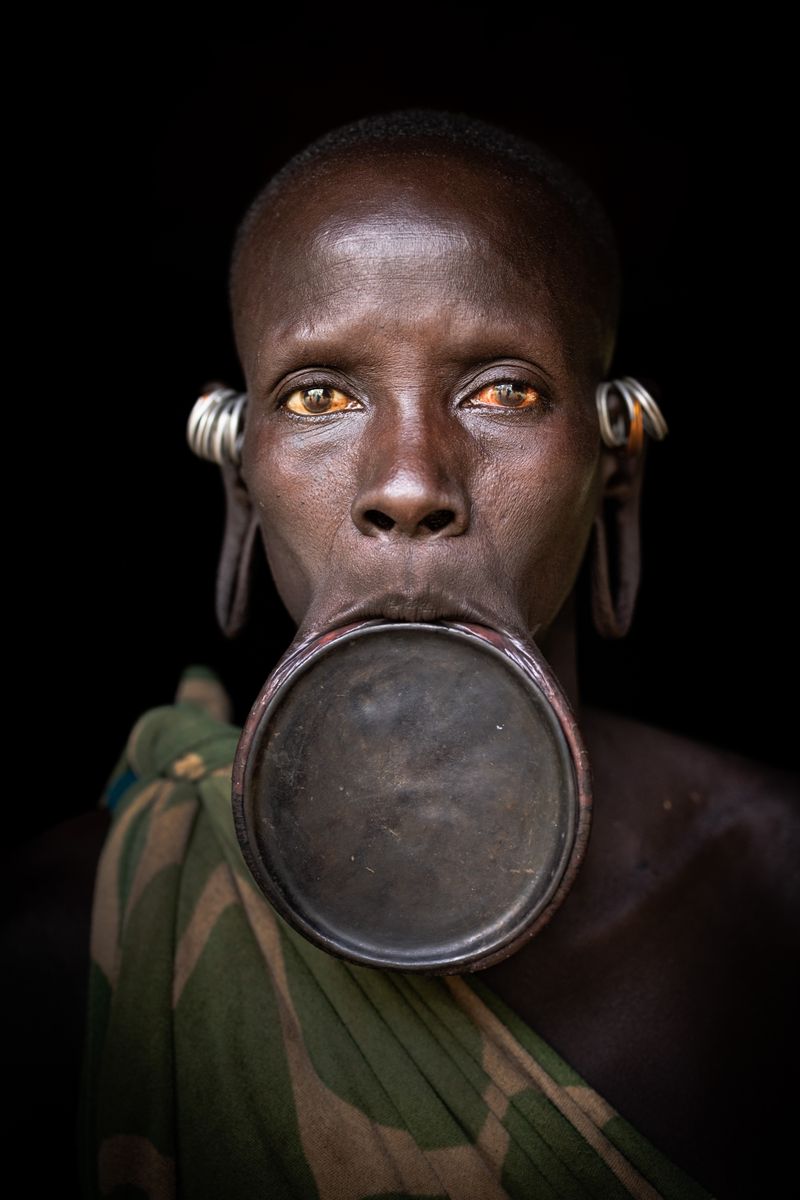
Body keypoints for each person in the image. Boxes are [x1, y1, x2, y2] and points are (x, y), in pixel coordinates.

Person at [15, 109, 799, 1200]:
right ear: (241, 481)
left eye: (502, 391)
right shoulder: (71, 937)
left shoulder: (772, 920)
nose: (408, 483)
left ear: (613, 469)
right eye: (320, 397)